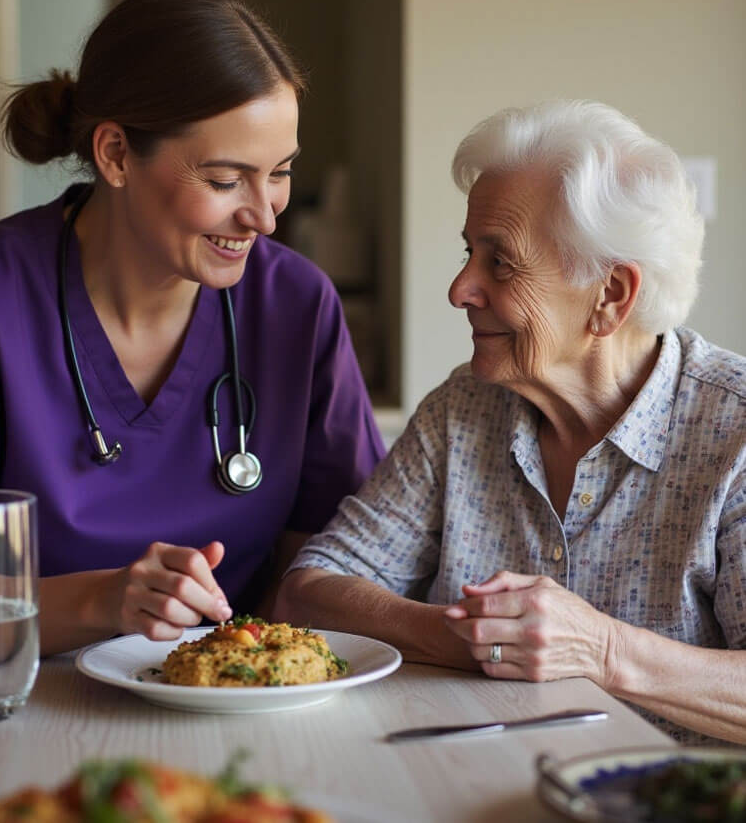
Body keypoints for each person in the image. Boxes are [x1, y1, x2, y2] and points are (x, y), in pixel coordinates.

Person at [0, 0, 385, 656]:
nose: (265, 214)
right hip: (12, 700)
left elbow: (333, 562)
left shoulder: (297, 307)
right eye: (225, 180)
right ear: (116, 154)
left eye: (279, 172)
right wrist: (105, 601)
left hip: (233, 697)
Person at [275, 99, 746, 745]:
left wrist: (603, 652)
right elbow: (307, 593)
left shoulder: (734, 432)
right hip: (458, 786)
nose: (459, 288)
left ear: (610, 295)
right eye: (470, 253)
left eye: (499, 262)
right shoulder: (463, 410)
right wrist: (476, 638)